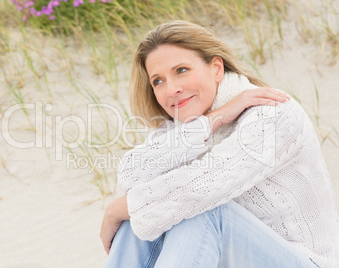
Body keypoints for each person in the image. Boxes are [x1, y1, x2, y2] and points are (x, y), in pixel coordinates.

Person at [100, 20, 339, 267]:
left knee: (198, 211)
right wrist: (212, 120)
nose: (172, 89)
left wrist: (117, 210)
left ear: (216, 68)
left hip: (304, 262)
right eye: (158, 81)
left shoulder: (273, 113)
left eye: (181, 70)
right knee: (139, 222)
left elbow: (206, 185)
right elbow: (130, 176)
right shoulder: (182, 127)